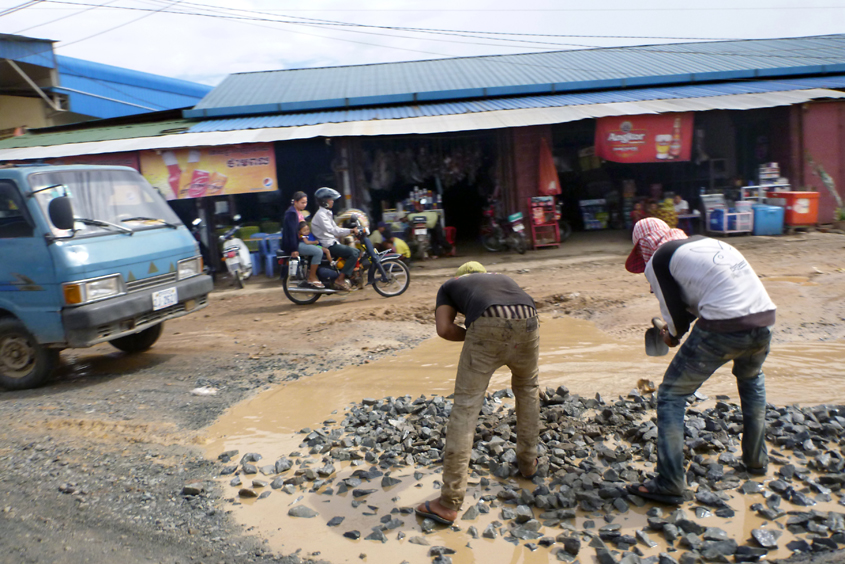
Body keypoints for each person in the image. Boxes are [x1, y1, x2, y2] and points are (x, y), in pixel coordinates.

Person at [624, 218, 776, 505]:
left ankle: (669, 482)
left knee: (670, 395)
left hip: (723, 325)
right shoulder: (703, 243)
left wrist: (669, 336)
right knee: (751, 380)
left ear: (644, 246)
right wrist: (675, 327)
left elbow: (677, 322)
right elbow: (703, 297)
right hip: (764, 318)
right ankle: (756, 462)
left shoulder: (660, 257)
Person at [415, 262, 540, 525]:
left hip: (488, 321)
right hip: (529, 318)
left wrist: (476, 335)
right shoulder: (502, 277)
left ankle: (449, 502)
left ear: (460, 277)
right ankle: (528, 464)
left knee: (466, 406)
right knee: (528, 390)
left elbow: (445, 329)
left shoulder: (450, 286)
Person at [310, 187, 359, 290]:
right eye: (330, 199)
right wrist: (350, 231)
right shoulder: (321, 215)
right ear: (324, 201)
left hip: (332, 242)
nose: (332, 201)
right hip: (328, 244)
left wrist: (349, 231)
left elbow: (335, 229)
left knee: (352, 250)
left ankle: (349, 276)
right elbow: (333, 231)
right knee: (354, 253)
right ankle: (340, 280)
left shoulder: (327, 213)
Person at [282, 191, 324, 289]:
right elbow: (292, 233)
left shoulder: (298, 212)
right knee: (318, 252)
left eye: (306, 202)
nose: (304, 204)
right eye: (302, 202)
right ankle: (312, 277)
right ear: (295, 202)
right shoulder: (292, 213)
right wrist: (294, 249)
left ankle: (312, 272)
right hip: (296, 244)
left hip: (301, 241)